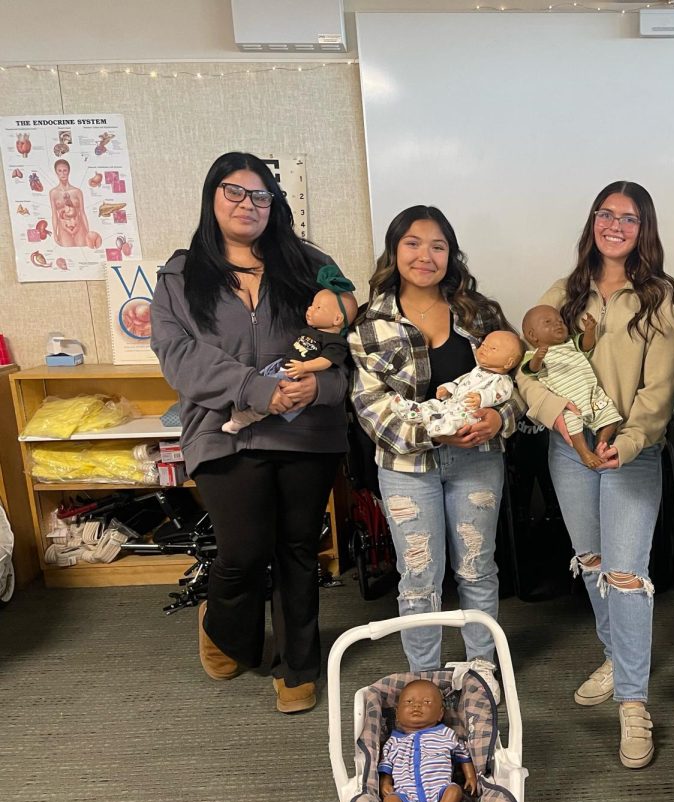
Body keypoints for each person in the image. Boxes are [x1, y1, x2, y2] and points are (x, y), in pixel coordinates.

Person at [151, 151, 352, 714]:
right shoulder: (181, 274)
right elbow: (177, 356)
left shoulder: (313, 266)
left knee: (297, 550)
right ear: (212, 198)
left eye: (260, 195)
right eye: (234, 192)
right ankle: (225, 628)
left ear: (275, 204)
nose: (247, 204)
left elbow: (346, 348)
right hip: (223, 430)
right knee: (243, 549)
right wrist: (255, 389)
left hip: (307, 431)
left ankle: (298, 665)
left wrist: (322, 388)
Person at [516, 181, 674, 769]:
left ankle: (634, 703)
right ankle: (617, 656)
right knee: (590, 561)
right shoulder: (563, 294)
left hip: (631, 453)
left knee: (626, 573)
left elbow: (660, 390)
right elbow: (526, 371)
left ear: (644, 229)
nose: (615, 225)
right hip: (569, 450)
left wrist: (630, 438)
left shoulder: (660, 301)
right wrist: (559, 418)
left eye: (629, 218)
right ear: (592, 222)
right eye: (605, 214)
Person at [350, 205, 523, 690]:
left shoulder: (479, 312)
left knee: (476, 567)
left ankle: (481, 671)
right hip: (407, 466)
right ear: (395, 250)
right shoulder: (370, 324)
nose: (425, 255)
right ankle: (423, 677)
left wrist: (499, 420)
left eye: (438, 246)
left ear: (451, 254)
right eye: (413, 243)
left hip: (477, 460)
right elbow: (369, 406)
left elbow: (518, 384)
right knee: (419, 576)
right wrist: (432, 433)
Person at [222, 267, 358, 434]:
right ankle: (242, 407)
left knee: (272, 401)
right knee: (261, 385)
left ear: (337, 318)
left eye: (318, 308)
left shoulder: (335, 342)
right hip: (283, 366)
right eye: (311, 305)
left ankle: (242, 420)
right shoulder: (312, 331)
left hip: (296, 376)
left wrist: (305, 368)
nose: (309, 309)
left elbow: (326, 361)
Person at [520, 304, 621, 469]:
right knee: (571, 424)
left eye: (560, 321)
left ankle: (601, 443)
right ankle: (584, 452)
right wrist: (538, 358)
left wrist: (589, 331)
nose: (558, 324)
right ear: (532, 335)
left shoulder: (571, 343)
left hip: (591, 394)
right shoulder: (532, 355)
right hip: (569, 403)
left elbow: (587, 346)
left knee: (611, 415)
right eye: (548, 322)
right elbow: (533, 370)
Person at [379, 679, 478, 802]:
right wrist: (385, 782)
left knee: (454, 790)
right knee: (390, 800)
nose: (417, 705)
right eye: (409, 701)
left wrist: (471, 775)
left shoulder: (446, 734)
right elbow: (386, 764)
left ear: (440, 714)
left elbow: (463, 753)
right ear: (397, 714)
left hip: (439, 793)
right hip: (406, 796)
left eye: (426, 702)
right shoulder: (393, 742)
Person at [391, 330, 522, 438]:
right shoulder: (476, 370)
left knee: (456, 419)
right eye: (483, 345)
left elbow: (501, 394)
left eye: (493, 348)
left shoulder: (503, 380)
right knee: (435, 405)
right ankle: (413, 411)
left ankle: (440, 427)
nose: (485, 348)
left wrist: (482, 398)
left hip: (471, 412)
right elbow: (460, 382)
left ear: (509, 363)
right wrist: (448, 388)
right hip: (453, 403)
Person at [49, 159, 97, 249]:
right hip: (63, 229)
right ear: (56, 172)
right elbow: (54, 215)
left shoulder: (77, 192)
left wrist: (88, 232)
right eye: (59, 171)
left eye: (65, 171)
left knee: (83, 250)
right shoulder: (53, 193)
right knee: (68, 253)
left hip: (79, 228)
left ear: (69, 171)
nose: (62, 174)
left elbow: (82, 212)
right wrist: (55, 233)